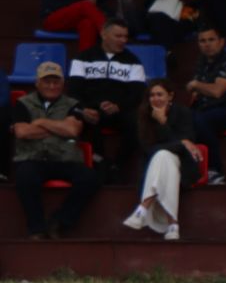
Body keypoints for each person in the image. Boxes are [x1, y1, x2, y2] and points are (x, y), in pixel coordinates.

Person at [9, 62, 102, 240]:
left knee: (90, 178)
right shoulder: (23, 103)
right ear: (37, 83)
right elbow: (22, 132)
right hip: (32, 157)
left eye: (56, 82)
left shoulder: (73, 104)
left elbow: (73, 131)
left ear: (62, 83)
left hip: (64, 158)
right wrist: (60, 127)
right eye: (47, 82)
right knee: (25, 177)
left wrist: (40, 122)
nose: (52, 86)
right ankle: (37, 229)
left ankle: (60, 222)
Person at [123, 80, 204, 240]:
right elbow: (148, 148)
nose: (155, 99)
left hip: (184, 165)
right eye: (152, 95)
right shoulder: (143, 115)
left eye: (160, 94)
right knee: (162, 156)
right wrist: (179, 143)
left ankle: (142, 209)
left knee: (163, 155)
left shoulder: (183, 113)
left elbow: (186, 148)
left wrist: (163, 123)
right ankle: (173, 225)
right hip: (156, 165)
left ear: (170, 96)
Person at [68, 16, 146, 182]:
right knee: (84, 119)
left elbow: (137, 94)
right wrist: (85, 108)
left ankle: (118, 165)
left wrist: (119, 106)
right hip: (90, 108)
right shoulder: (82, 58)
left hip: (119, 110)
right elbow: (73, 91)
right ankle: (99, 163)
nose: (123, 40)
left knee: (137, 123)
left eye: (125, 37)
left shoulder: (133, 62)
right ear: (104, 34)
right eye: (118, 36)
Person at [184, 23, 226, 185]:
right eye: (202, 41)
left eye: (211, 39)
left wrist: (196, 85)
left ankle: (215, 170)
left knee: (201, 120)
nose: (207, 44)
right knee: (183, 118)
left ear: (221, 42)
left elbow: (217, 91)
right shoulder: (201, 62)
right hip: (205, 108)